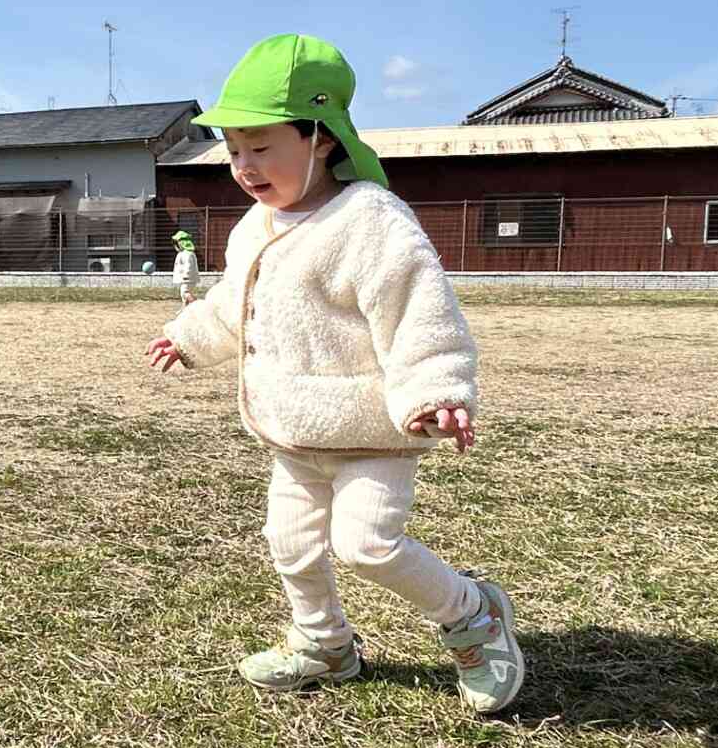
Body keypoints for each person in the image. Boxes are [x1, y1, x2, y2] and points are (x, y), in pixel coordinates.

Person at [146, 35, 523, 713]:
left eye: (262, 147)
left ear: (320, 137)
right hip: (292, 430)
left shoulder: (371, 220)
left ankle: (472, 613)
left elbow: (419, 311)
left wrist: (436, 391)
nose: (244, 166)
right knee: (289, 545)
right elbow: (236, 303)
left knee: (367, 545)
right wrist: (190, 338)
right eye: (233, 149)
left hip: (371, 428)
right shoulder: (255, 226)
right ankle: (325, 645)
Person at [171, 229, 200, 313]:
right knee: (183, 294)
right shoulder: (182, 253)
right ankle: (184, 309)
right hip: (186, 278)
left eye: (176, 244)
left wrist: (186, 275)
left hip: (188, 278)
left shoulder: (188, 254)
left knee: (185, 293)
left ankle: (197, 305)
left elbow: (189, 265)